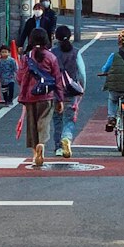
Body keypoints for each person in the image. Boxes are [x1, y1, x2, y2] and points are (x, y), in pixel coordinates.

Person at [17, 29, 63, 167]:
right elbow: (57, 79)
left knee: (31, 126)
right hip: (46, 96)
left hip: (30, 96)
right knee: (44, 122)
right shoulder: (51, 57)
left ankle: (34, 153)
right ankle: (41, 144)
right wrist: (60, 98)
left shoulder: (26, 57)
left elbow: (20, 77)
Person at [51, 24, 86, 158]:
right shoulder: (75, 52)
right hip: (70, 91)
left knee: (57, 119)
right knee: (69, 119)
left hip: (55, 91)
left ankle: (58, 148)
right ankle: (67, 137)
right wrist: (82, 88)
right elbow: (82, 73)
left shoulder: (52, 52)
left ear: (56, 37)